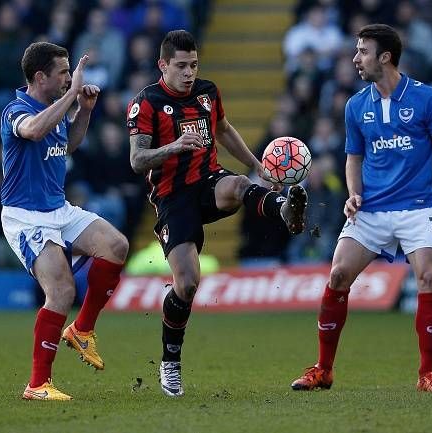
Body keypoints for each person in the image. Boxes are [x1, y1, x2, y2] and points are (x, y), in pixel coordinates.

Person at [127, 30, 308, 397]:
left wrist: (258, 165)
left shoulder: (208, 92)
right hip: (172, 198)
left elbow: (223, 130)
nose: (189, 72)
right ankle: (170, 362)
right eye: (181, 66)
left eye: (194, 64)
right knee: (188, 283)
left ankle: (286, 209)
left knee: (239, 185)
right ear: (163, 65)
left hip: (209, 182)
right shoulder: (146, 103)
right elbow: (136, 160)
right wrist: (175, 145)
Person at [290, 24, 432, 393]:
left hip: (417, 207)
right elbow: (353, 159)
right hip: (371, 209)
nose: (355, 59)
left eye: (363, 52)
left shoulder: (428, 99)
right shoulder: (356, 105)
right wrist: (353, 193)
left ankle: (427, 375)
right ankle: (323, 369)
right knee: (338, 274)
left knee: (428, 278)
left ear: (384, 57)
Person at [0, 42, 129, 400]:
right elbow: (33, 132)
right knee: (61, 289)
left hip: (59, 208)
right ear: (40, 77)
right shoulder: (16, 110)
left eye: (70, 72)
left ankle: (82, 330)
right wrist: (71, 95)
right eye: (63, 72)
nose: (69, 78)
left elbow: (66, 145)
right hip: (26, 216)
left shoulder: (54, 110)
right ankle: (37, 384)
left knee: (116, 246)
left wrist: (83, 112)